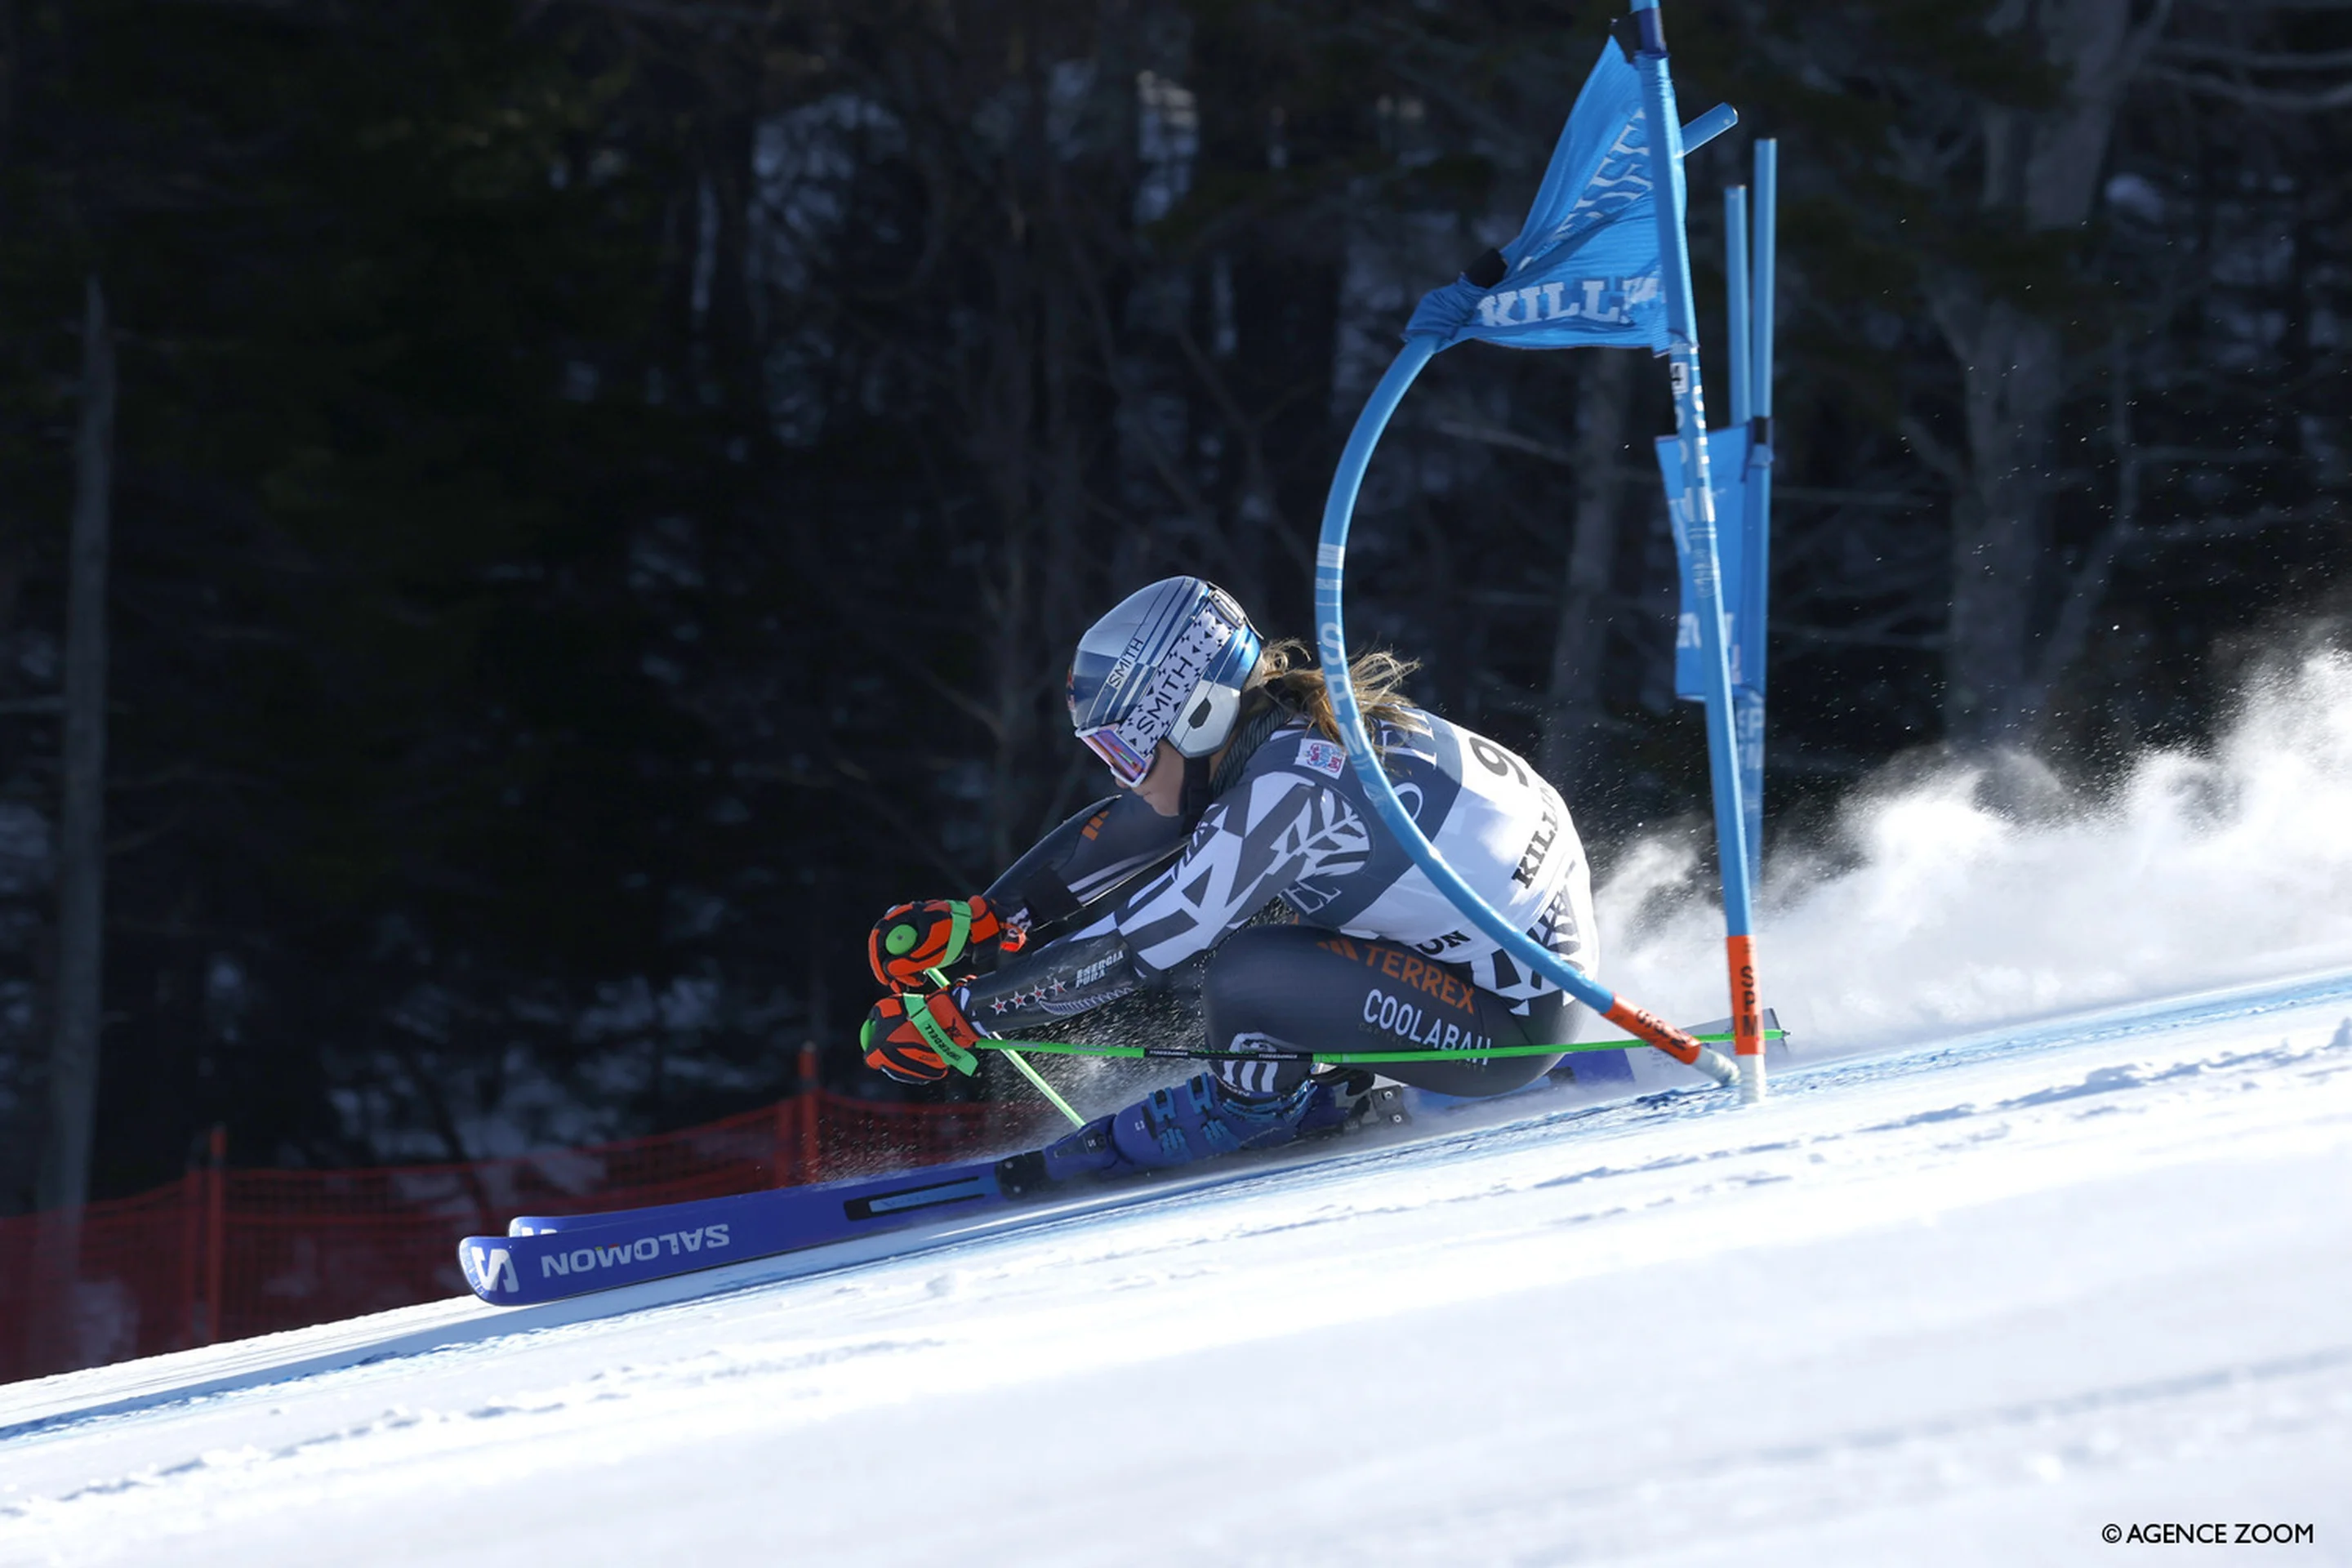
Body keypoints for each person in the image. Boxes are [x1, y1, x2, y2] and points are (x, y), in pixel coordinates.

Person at [858, 576, 1599, 1186]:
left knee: (1250, 974)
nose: (1122, 776)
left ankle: (1250, 1112)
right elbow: (1149, 818)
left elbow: (1143, 942)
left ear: (1202, 712)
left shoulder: (1291, 788)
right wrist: (993, 916)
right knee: (1258, 940)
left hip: (1506, 1033)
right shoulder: (1284, 732)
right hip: (1515, 982)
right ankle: (1300, 1094)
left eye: (1125, 749)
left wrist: (971, 1013)